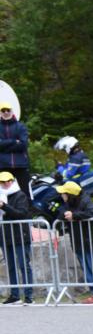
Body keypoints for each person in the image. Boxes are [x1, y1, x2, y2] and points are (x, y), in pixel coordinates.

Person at [55, 180, 93, 303]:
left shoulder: (85, 200)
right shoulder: (69, 203)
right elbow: (61, 214)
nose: (62, 195)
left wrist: (75, 215)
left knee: (92, 266)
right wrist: (66, 215)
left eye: (64, 193)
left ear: (70, 194)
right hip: (77, 240)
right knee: (85, 266)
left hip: (89, 239)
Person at [0, 171, 33, 304]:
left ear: (12, 181)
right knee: (11, 266)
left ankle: (29, 295)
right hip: (5, 236)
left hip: (20, 235)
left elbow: (21, 213)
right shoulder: (1, 195)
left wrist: (5, 206)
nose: (6, 183)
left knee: (24, 265)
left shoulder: (20, 195)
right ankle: (15, 295)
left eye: (8, 180)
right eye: (2, 182)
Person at [0, 103, 31, 200]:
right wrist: (14, 141)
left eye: (8, 110)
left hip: (20, 165)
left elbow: (23, 144)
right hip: (3, 165)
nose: (6, 112)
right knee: (3, 192)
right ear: (0, 113)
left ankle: (28, 213)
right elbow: (18, 144)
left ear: (12, 111)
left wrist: (4, 146)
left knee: (25, 192)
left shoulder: (21, 126)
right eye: (3, 110)